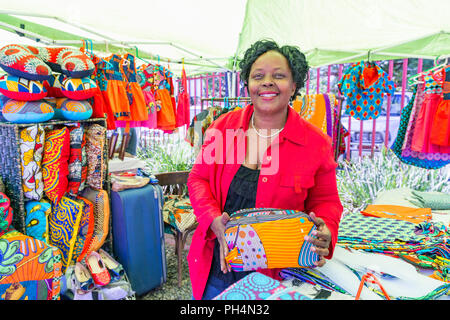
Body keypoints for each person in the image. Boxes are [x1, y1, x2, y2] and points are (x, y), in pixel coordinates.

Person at [187, 39, 343, 300]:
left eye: (279, 76)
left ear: (294, 86)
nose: (267, 82)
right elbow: (198, 178)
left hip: (278, 274)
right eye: (258, 76)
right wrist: (212, 218)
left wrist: (326, 228)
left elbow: (326, 201)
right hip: (218, 265)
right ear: (248, 84)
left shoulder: (315, 144)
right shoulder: (225, 128)